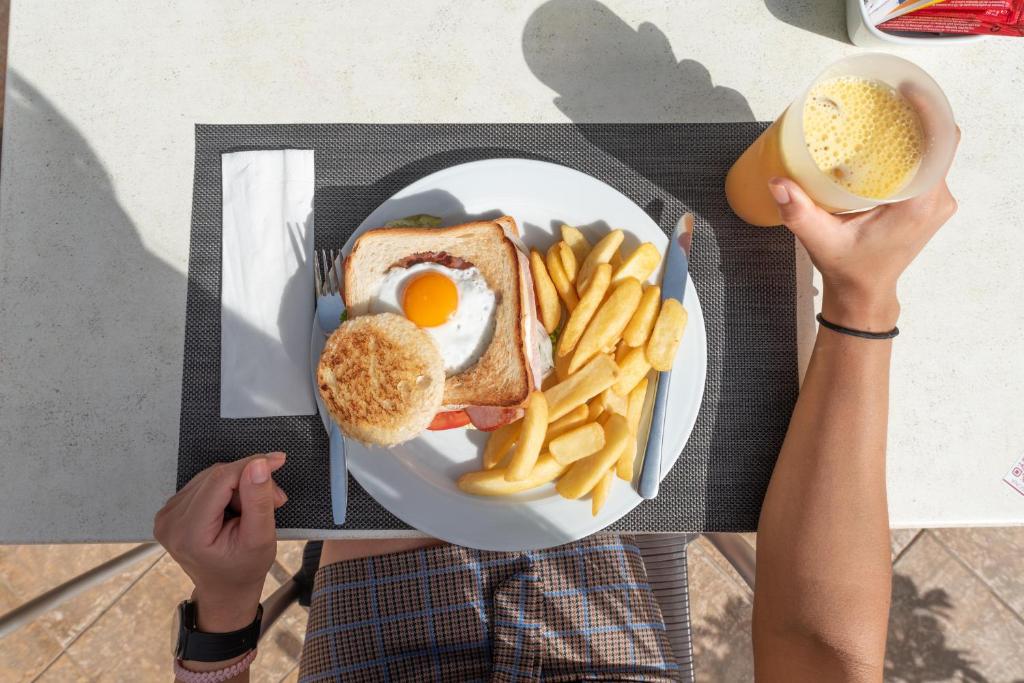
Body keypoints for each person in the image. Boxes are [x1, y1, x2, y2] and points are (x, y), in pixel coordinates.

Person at [154, 154, 958, 682]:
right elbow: (819, 646)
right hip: (613, 605)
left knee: (388, 464)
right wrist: (861, 299)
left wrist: (225, 615)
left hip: (379, 630)